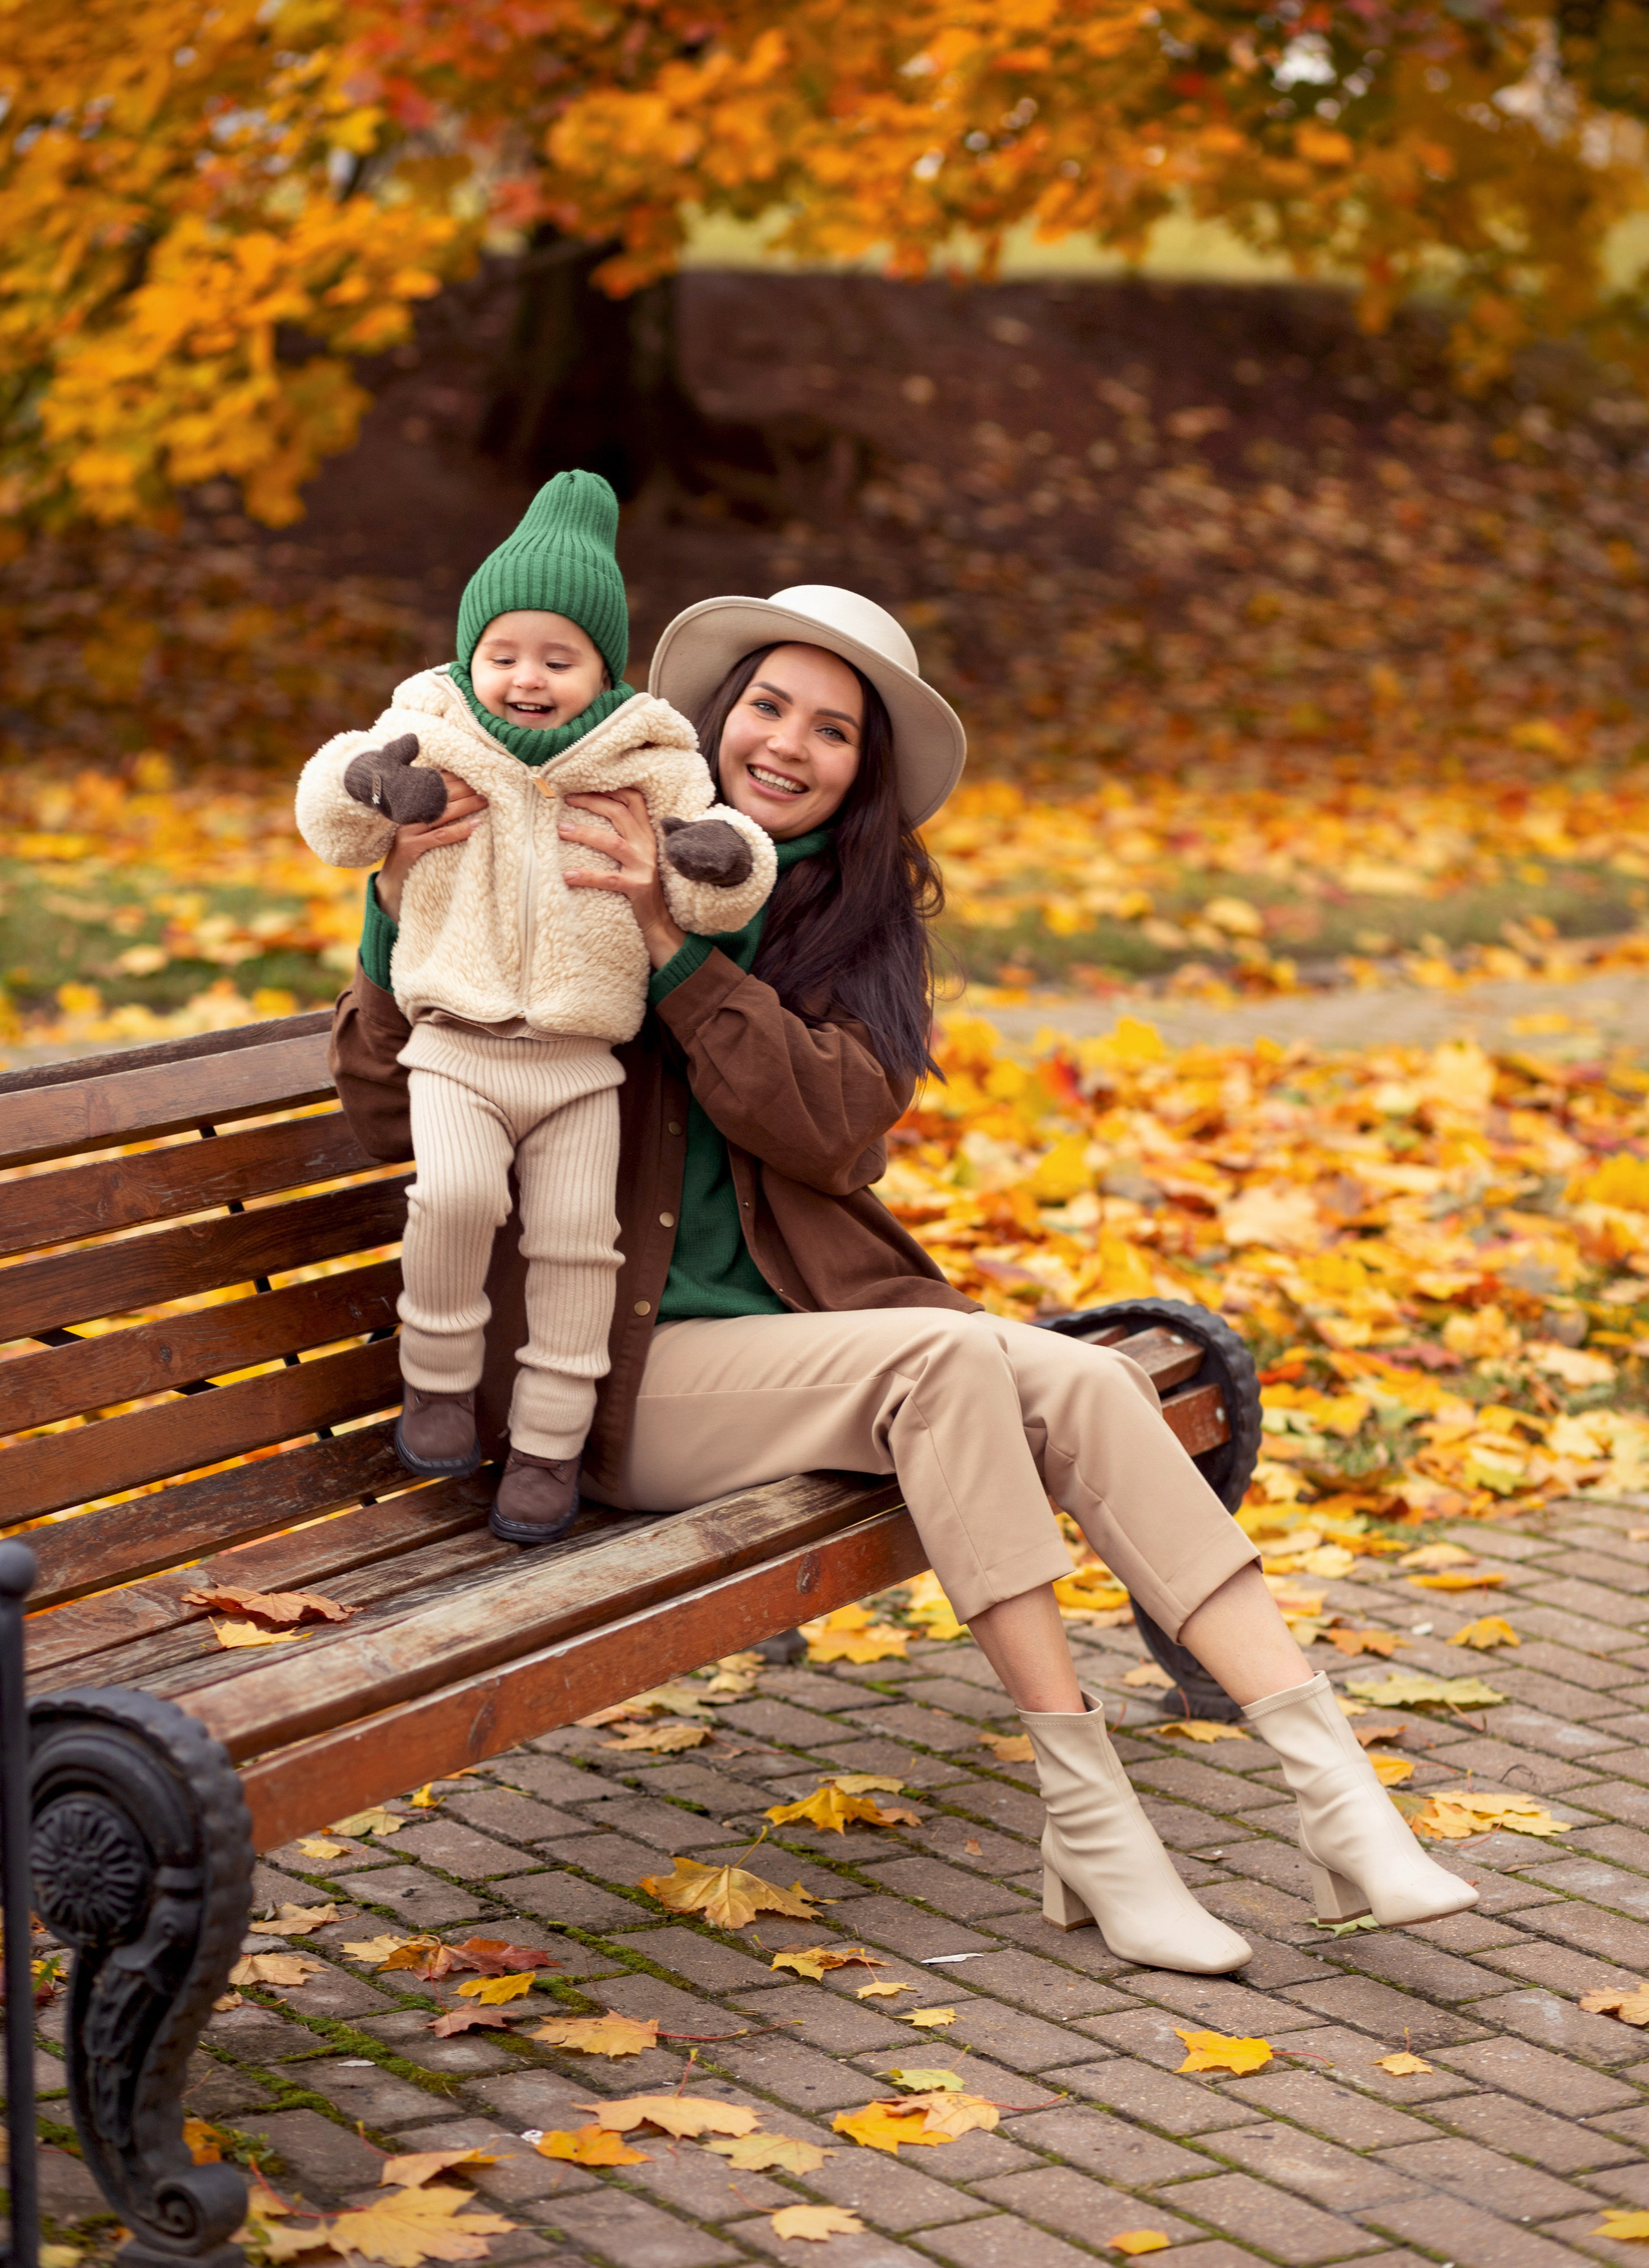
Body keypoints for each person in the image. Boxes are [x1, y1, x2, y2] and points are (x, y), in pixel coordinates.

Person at [329, 580, 1477, 1975]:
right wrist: (399, 905)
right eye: (765, 706)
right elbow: (391, 1117)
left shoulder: (846, 922)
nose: (786, 745)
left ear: (863, 773)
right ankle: (1092, 1817)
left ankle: (1334, 1789)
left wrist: (678, 953)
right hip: (604, 1379)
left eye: (832, 730)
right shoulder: (553, 855)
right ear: (709, 716)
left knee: (1080, 1378)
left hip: (794, 1351)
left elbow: (828, 1132)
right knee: (948, 1364)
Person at [296, 472, 776, 1548]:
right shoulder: (431, 727)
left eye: (559, 660)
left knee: (576, 1244)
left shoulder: (646, 763)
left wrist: (705, 857)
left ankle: (551, 1452)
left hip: (578, 1061)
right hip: (456, 1044)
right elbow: (328, 805)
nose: (526, 678)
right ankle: (438, 1387)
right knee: (456, 1199)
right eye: (505, 653)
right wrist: (376, 788)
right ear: (471, 653)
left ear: (604, 671)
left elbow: (726, 867)